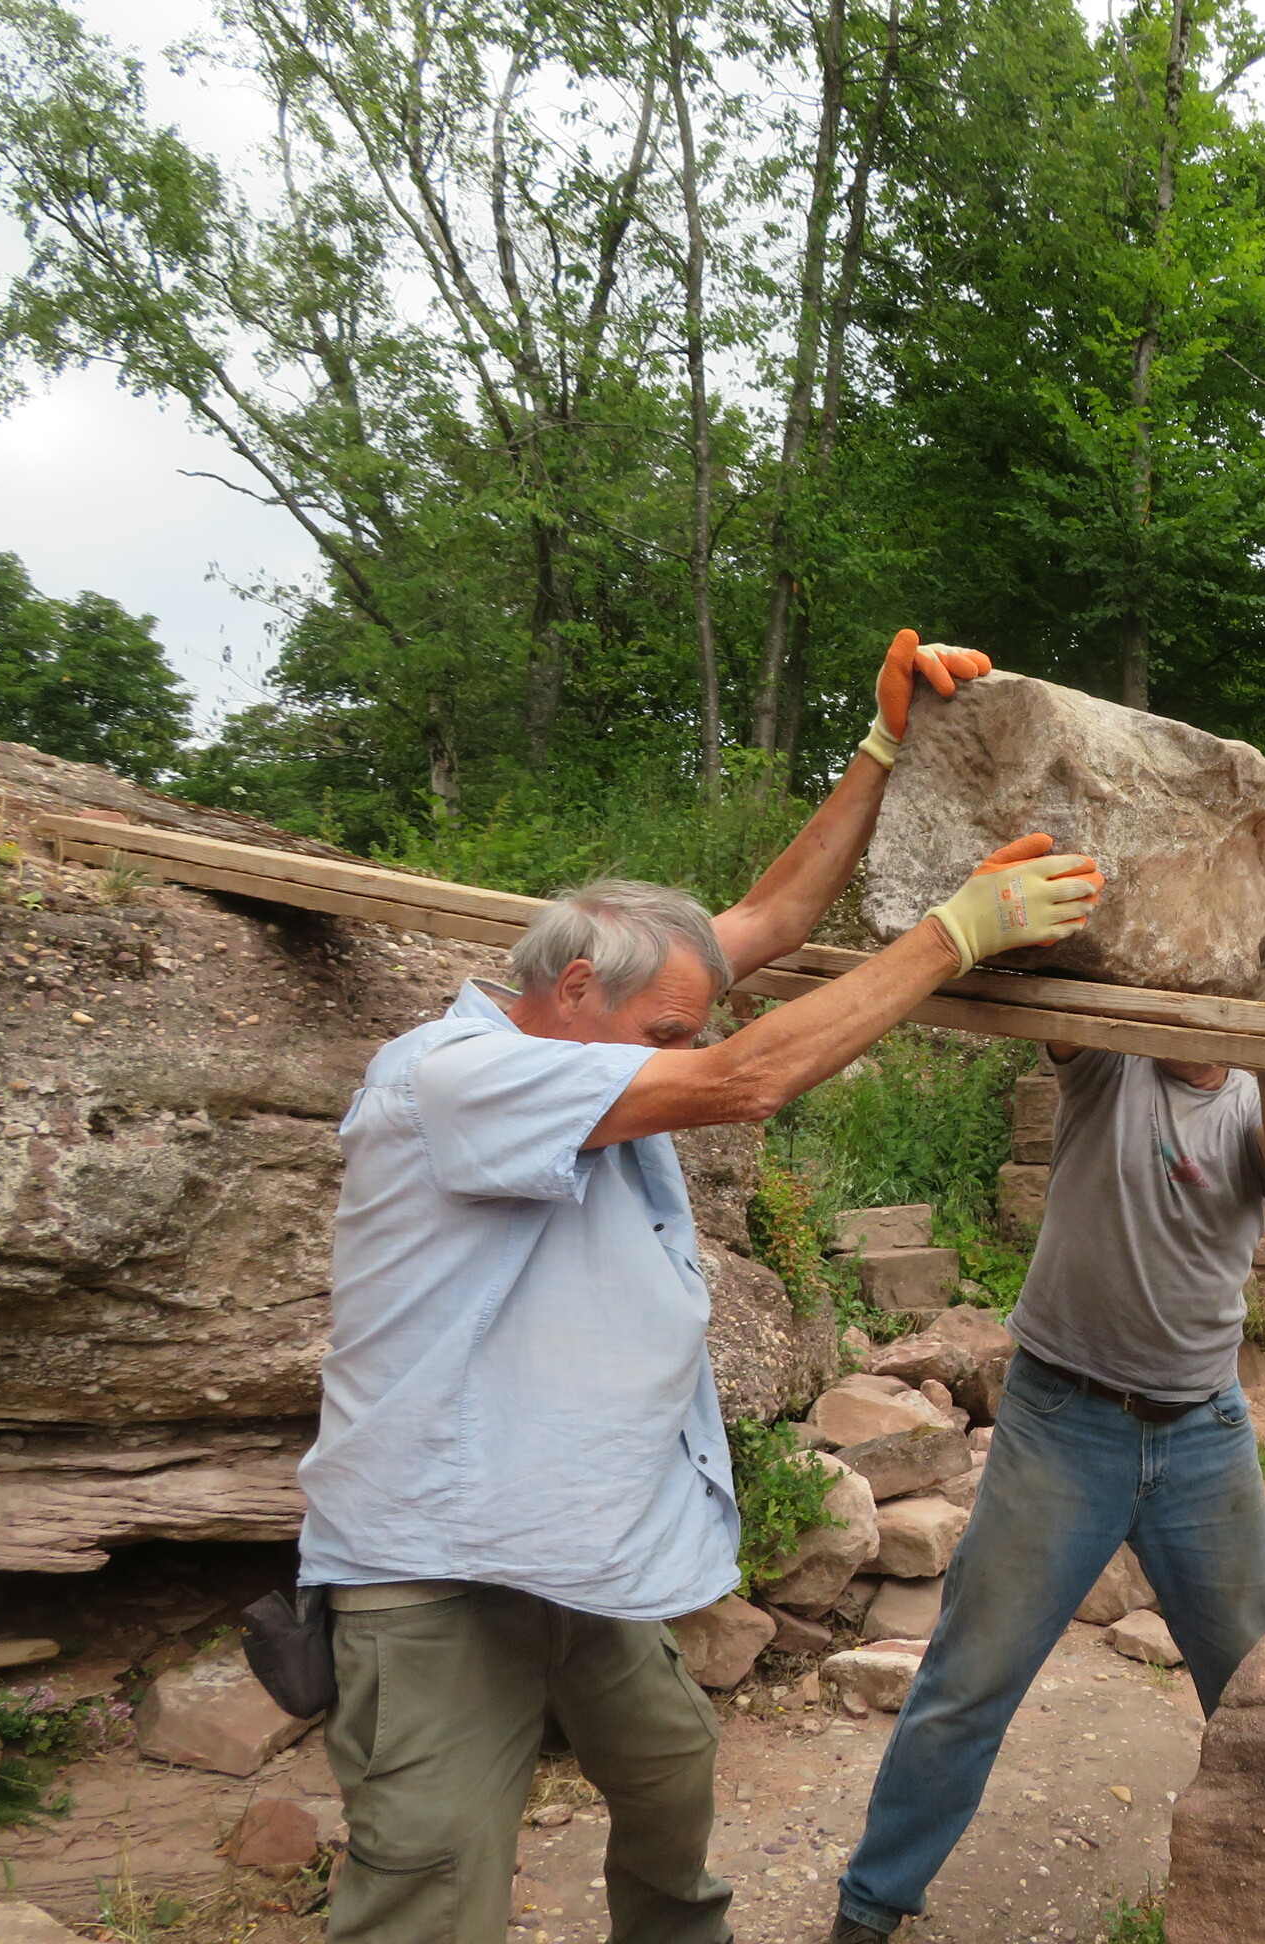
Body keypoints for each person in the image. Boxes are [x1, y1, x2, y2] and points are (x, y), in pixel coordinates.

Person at [298, 633, 1103, 1944]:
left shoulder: (600, 1008)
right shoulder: (454, 1076)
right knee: (430, 1884)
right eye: (671, 1033)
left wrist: (884, 747)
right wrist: (955, 934)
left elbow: (771, 922)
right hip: (436, 1566)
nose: (691, 1046)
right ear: (573, 989)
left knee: (670, 1781)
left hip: (571, 1548)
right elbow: (746, 1079)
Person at [826, 1012, 1265, 1942]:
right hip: (1063, 1421)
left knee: (1256, 1689)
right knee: (970, 1677)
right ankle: (870, 1905)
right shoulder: (1109, 1061)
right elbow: (1061, 988)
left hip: (1202, 1432)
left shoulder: (1254, 1099)